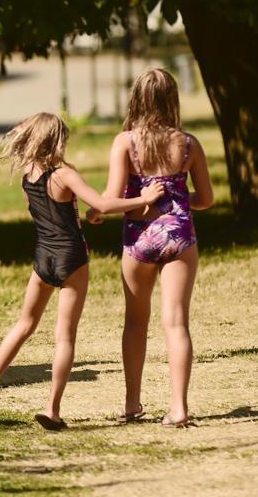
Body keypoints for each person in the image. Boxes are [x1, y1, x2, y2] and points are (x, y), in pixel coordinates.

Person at [0, 113, 165, 430]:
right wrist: (142, 199)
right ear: (57, 140)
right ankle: (52, 410)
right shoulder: (64, 174)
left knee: (24, 324)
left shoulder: (27, 175)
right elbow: (101, 204)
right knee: (64, 338)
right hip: (71, 257)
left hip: (43, 256)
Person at [91, 67, 213, 428]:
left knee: (135, 321)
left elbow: (112, 197)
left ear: (137, 99)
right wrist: (177, 198)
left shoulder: (125, 142)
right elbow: (205, 199)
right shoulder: (189, 144)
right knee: (176, 322)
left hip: (139, 240)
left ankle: (132, 403)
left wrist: (98, 212)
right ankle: (179, 408)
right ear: (172, 99)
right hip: (179, 238)